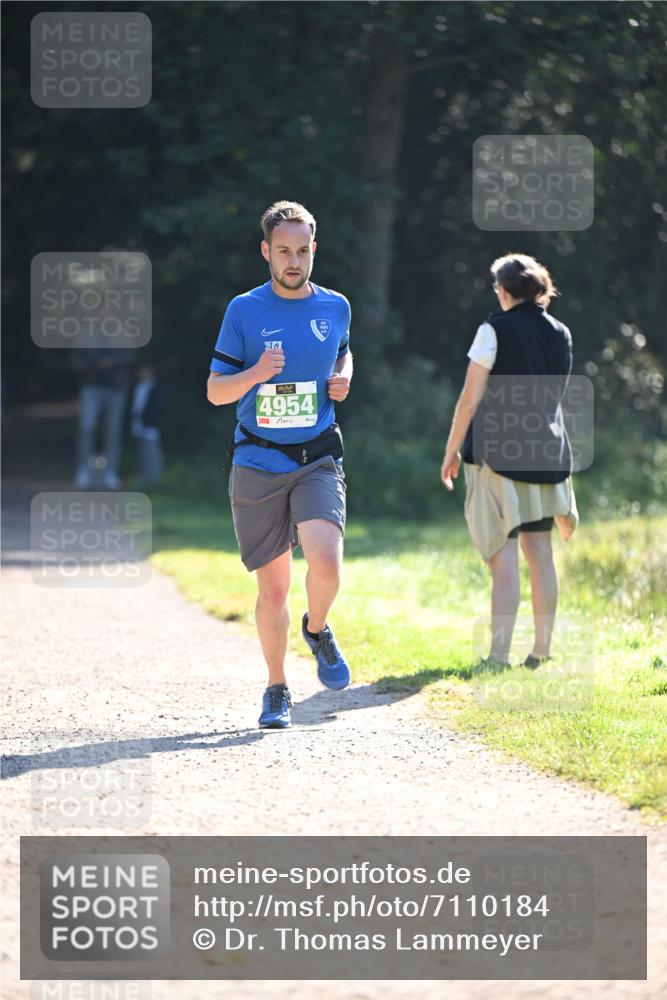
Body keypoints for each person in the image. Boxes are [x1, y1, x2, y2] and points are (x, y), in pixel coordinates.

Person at [207, 200, 353, 728]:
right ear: (266, 252)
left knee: (327, 562)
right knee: (272, 588)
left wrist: (344, 375)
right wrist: (255, 373)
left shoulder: (336, 306)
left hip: (316, 457)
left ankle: (317, 629)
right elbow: (215, 392)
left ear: (315, 249)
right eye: (284, 251)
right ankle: (277, 688)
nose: (294, 260)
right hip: (257, 460)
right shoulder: (244, 310)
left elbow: (343, 350)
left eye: (303, 250)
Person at [441, 253, 578, 668]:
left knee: (502, 557)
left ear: (503, 291)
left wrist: (451, 450)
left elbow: (470, 398)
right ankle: (541, 652)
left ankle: (498, 657)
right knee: (541, 555)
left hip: (497, 459)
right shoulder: (561, 332)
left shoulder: (492, 330)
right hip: (547, 455)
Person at [73, 348, 134, 489]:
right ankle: (83, 471)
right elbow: (76, 359)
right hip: (91, 385)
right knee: (87, 429)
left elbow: (131, 355)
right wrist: (93, 365)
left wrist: (113, 362)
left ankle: (111, 473)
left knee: (113, 432)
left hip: (116, 387)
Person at [131, 361, 164, 486]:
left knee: (152, 452)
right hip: (139, 425)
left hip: (150, 426)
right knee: (143, 453)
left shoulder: (154, 388)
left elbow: (155, 408)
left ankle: (154, 478)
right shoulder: (140, 387)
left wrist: (148, 421)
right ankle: (146, 477)